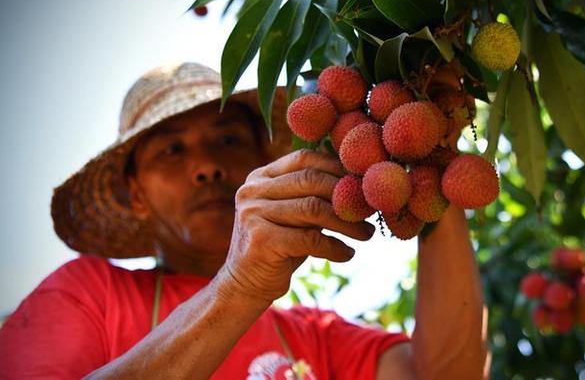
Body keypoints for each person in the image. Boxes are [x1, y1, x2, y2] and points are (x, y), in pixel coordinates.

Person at [0, 63, 489, 379]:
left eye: (227, 139)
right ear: (136, 194)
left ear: (263, 158)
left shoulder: (317, 335)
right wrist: (239, 287)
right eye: (172, 150)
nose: (206, 166)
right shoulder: (88, 293)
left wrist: (434, 158)